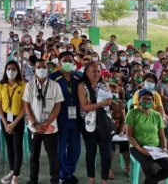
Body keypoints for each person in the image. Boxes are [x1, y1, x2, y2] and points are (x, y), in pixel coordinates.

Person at [23, 58, 63, 184]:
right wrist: (35, 123)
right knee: (34, 155)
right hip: (34, 127)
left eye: (44, 67)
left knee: (53, 156)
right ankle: (33, 179)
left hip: (50, 128)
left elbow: (57, 107)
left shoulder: (55, 86)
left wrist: (46, 123)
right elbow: (27, 105)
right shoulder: (30, 85)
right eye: (39, 67)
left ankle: (55, 180)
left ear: (48, 69)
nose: (41, 70)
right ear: (35, 69)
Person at [126, 88, 168, 184]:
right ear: (139, 100)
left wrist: (164, 147)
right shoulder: (132, 113)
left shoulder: (157, 115)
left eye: (150, 99)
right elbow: (129, 136)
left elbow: (161, 135)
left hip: (155, 148)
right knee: (149, 167)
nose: (147, 101)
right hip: (137, 147)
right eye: (144, 98)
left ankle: (149, 182)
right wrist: (140, 149)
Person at [78, 61, 113, 184]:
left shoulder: (105, 85)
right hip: (88, 123)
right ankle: (91, 179)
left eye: (98, 71)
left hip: (104, 123)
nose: (97, 73)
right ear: (87, 72)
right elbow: (85, 107)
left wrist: (104, 104)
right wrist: (101, 104)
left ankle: (104, 179)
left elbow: (109, 105)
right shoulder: (82, 86)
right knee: (91, 151)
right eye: (94, 71)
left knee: (106, 153)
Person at [51, 51, 81, 184]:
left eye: (70, 60)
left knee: (76, 149)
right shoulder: (52, 78)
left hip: (76, 120)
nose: (68, 63)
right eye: (65, 60)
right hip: (60, 119)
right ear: (59, 63)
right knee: (60, 150)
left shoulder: (79, 77)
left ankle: (69, 172)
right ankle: (64, 174)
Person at [0, 61, 26, 184]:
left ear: (17, 70)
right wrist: (5, 124)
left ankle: (16, 176)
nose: (11, 71)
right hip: (4, 119)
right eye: (9, 69)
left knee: (17, 148)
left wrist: (13, 124)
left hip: (17, 120)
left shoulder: (23, 85)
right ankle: (12, 170)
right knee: (9, 148)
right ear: (5, 70)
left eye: (14, 69)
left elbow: (24, 108)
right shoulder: (1, 85)